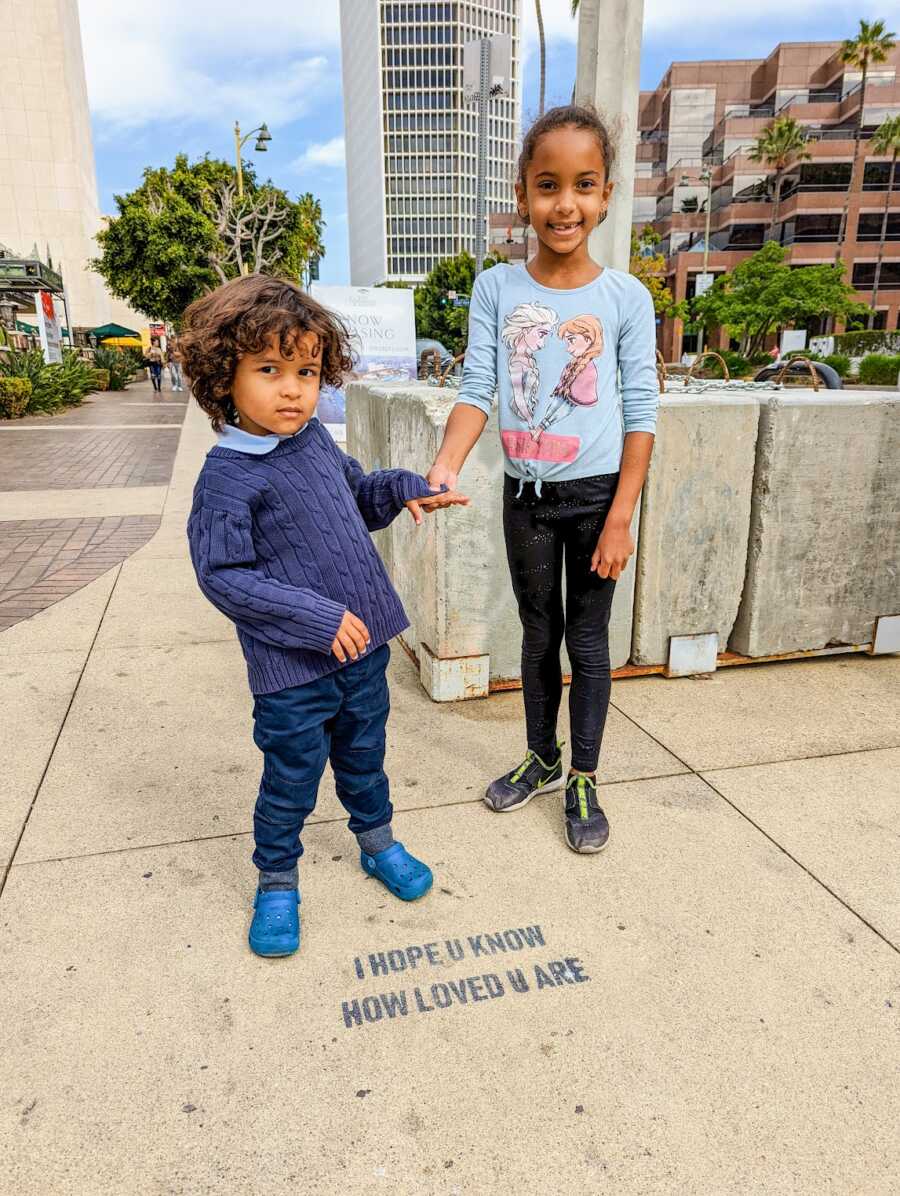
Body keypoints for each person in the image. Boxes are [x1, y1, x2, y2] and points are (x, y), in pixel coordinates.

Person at [181, 274, 468, 958]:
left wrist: (401, 491)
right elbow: (222, 577)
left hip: (362, 654)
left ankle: (377, 842)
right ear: (225, 378)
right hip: (293, 675)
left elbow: (355, 502)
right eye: (269, 370)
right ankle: (277, 881)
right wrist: (314, 618)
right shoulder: (226, 479)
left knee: (365, 758)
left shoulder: (312, 444)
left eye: (306, 371)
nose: (292, 389)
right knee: (292, 778)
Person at [427, 105, 658, 855]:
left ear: (606, 193)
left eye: (583, 185)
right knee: (537, 636)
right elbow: (475, 387)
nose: (566, 204)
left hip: (596, 500)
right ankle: (542, 757)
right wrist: (447, 462)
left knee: (588, 641)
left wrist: (622, 515)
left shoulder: (626, 298)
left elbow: (642, 413)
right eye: (548, 186)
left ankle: (584, 775)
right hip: (524, 498)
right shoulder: (496, 288)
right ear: (523, 195)